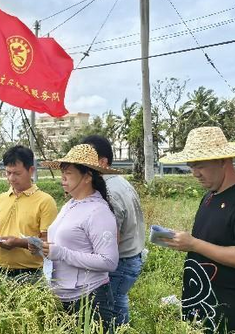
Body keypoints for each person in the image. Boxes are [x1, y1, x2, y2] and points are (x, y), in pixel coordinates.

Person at [160, 126, 235, 333]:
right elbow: (213, 241)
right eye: (191, 165)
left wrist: (194, 244)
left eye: (200, 165)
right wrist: (184, 241)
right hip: (205, 309)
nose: (195, 173)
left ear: (224, 160)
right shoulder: (210, 196)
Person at [40, 144, 120, 332]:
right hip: (62, 295)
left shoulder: (98, 211)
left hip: (90, 298)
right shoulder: (70, 205)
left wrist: (61, 253)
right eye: (62, 173)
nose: (63, 178)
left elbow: (109, 261)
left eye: (68, 173)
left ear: (87, 177)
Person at [82, 135, 146, 326]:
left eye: (87, 159)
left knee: (114, 304)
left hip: (122, 260)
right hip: (132, 255)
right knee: (118, 299)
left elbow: (111, 239)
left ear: (103, 162)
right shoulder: (120, 182)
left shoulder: (108, 190)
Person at [0, 145, 57, 283]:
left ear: (31, 170)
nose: (11, 178)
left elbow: (48, 243)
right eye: (8, 173)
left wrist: (19, 243)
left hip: (31, 275)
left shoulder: (45, 201)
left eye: (17, 173)